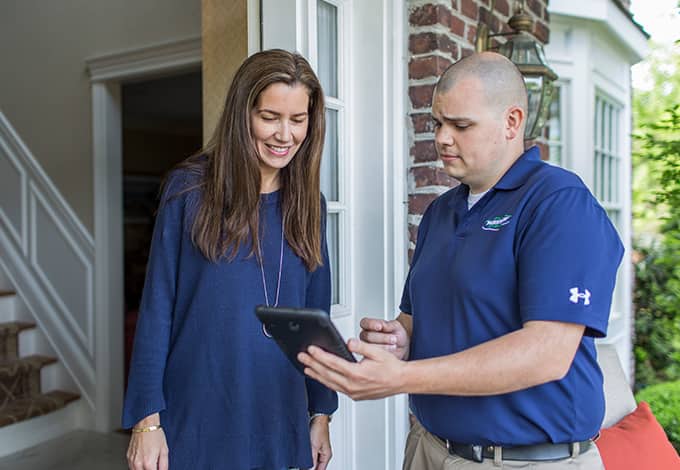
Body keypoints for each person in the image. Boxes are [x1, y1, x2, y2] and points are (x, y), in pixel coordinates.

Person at [298, 51, 623, 469]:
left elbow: (546, 352)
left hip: (526, 461)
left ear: (512, 122)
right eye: (438, 123)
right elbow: (415, 321)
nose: (442, 138)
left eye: (461, 125)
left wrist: (402, 378)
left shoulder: (559, 203)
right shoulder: (441, 212)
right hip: (430, 449)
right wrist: (399, 340)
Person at [123, 49, 337, 470]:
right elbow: (157, 309)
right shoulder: (189, 191)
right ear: (243, 114)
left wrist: (321, 413)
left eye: (298, 120)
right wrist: (146, 422)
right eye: (269, 116)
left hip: (278, 412)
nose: (284, 135)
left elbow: (316, 318)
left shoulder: (310, 203)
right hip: (197, 414)